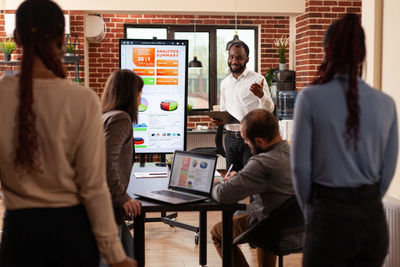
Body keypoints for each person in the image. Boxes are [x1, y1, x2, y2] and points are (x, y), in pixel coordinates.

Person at [0, 1, 136, 266]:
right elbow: (94, 186)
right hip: (73, 233)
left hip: (18, 234)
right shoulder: (82, 99)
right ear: (63, 40)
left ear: (16, 38)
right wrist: (115, 254)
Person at [291, 13, 398, 267]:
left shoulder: (309, 98)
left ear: (327, 51)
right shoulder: (386, 104)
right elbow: (387, 170)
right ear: (361, 56)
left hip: (328, 217)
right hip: (372, 220)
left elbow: (300, 169)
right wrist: (365, 200)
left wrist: (312, 212)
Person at [211, 109, 294, 267]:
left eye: (246, 140)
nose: (245, 144)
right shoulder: (297, 153)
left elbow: (223, 195)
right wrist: (241, 178)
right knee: (266, 215)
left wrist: (215, 184)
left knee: (218, 232)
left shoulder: (261, 163)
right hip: (300, 229)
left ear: (260, 141)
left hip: (270, 229)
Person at [101, 69, 143, 261]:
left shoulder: (106, 115)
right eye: (139, 93)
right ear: (130, 95)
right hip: (108, 205)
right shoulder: (121, 118)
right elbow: (106, 160)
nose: (141, 98)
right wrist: (123, 197)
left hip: (105, 204)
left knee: (130, 256)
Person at [217, 41, 274, 172]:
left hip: (251, 140)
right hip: (230, 139)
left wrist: (261, 96)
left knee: (252, 181)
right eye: (231, 56)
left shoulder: (257, 79)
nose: (234, 61)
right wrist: (219, 119)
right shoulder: (225, 83)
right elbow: (224, 110)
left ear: (247, 59)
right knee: (232, 181)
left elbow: (269, 110)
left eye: (239, 57)